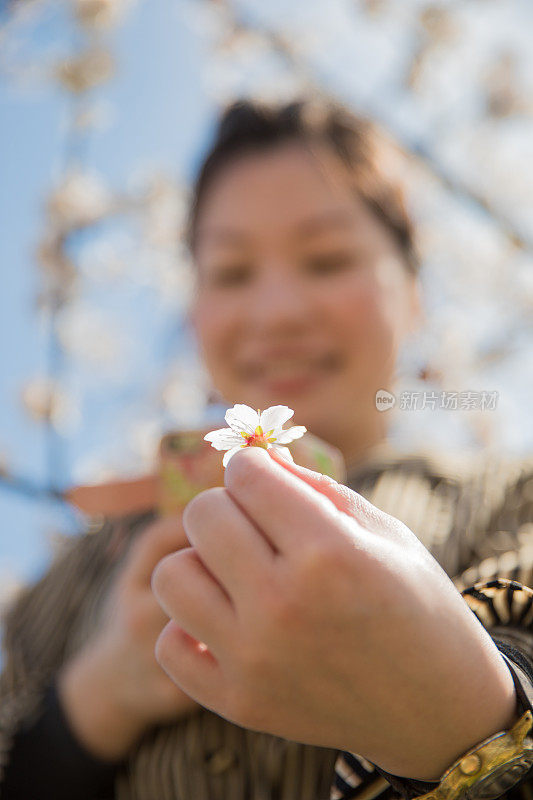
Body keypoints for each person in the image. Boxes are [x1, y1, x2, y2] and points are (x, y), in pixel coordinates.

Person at [1, 98, 532, 800]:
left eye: (327, 259)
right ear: (193, 309)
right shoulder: (81, 566)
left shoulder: (509, 496)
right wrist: (96, 701)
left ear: (411, 292)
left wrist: (456, 713)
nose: (277, 312)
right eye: (231, 273)